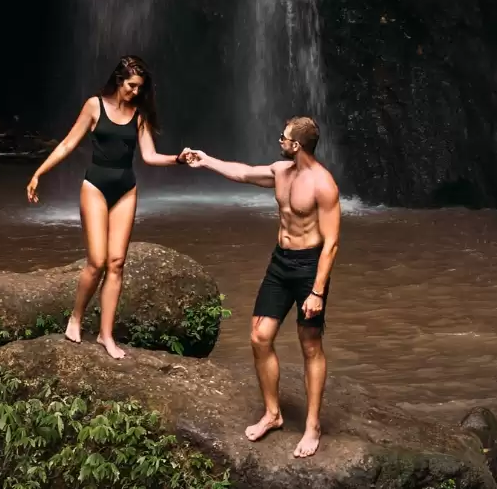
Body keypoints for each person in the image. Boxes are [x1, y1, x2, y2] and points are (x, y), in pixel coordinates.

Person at [180, 117, 340, 458]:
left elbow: (332, 244)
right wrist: (206, 160)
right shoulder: (281, 172)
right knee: (259, 336)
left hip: (309, 267)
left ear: (297, 145)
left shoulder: (323, 184)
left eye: (283, 137)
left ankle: (312, 425)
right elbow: (243, 172)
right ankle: (273, 413)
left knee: (310, 344)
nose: (278, 140)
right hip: (280, 263)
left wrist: (318, 292)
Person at [26, 55, 182, 359]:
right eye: (131, 86)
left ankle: (105, 335)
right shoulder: (94, 106)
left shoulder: (140, 115)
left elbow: (149, 156)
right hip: (95, 187)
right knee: (96, 261)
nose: (135, 92)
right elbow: (68, 144)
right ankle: (76, 317)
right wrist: (38, 173)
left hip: (126, 189)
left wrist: (178, 159)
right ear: (119, 80)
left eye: (140, 88)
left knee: (117, 262)